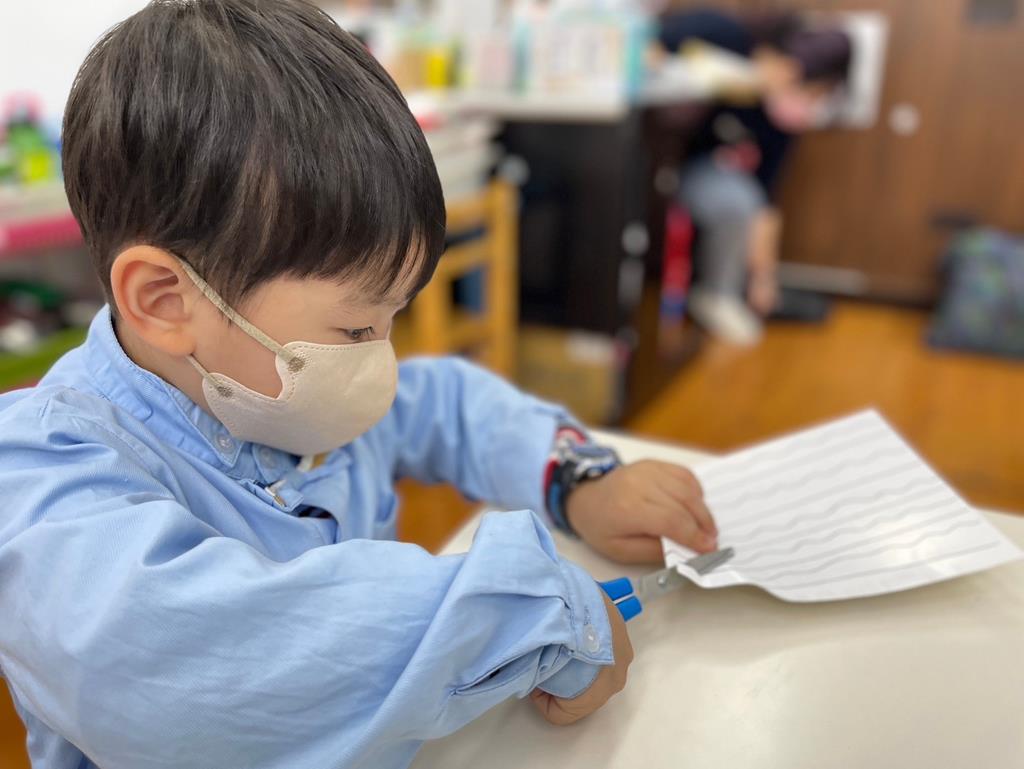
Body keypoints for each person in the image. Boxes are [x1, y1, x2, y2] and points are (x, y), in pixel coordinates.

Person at [0, 2, 719, 768]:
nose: (380, 357)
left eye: (392, 319)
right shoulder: (42, 472)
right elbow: (187, 660)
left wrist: (577, 478)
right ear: (165, 300)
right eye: (354, 330)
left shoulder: (284, 391)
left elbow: (450, 405)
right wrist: (526, 614)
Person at [658, 9, 852, 344]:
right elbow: (653, 44)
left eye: (813, 95)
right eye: (802, 85)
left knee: (743, 199)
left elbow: (765, 202)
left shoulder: (779, 123)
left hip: (708, 183)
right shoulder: (721, 32)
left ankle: (720, 295)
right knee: (738, 198)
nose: (802, 98)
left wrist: (764, 280)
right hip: (661, 156)